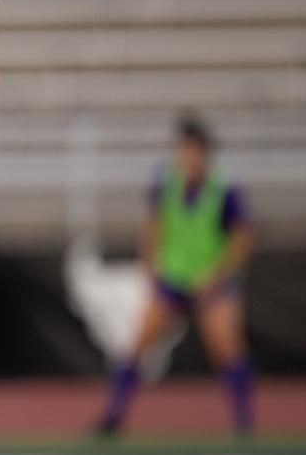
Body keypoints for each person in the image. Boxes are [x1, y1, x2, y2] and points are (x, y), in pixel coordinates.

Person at [95, 113, 256, 437]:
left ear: (205, 153)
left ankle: (244, 422)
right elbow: (153, 227)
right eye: (184, 149)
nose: (188, 157)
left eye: (194, 150)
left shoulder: (223, 187)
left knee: (226, 348)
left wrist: (218, 275)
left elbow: (242, 238)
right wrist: (152, 268)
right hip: (172, 278)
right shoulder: (166, 181)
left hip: (211, 282)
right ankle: (113, 417)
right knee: (136, 347)